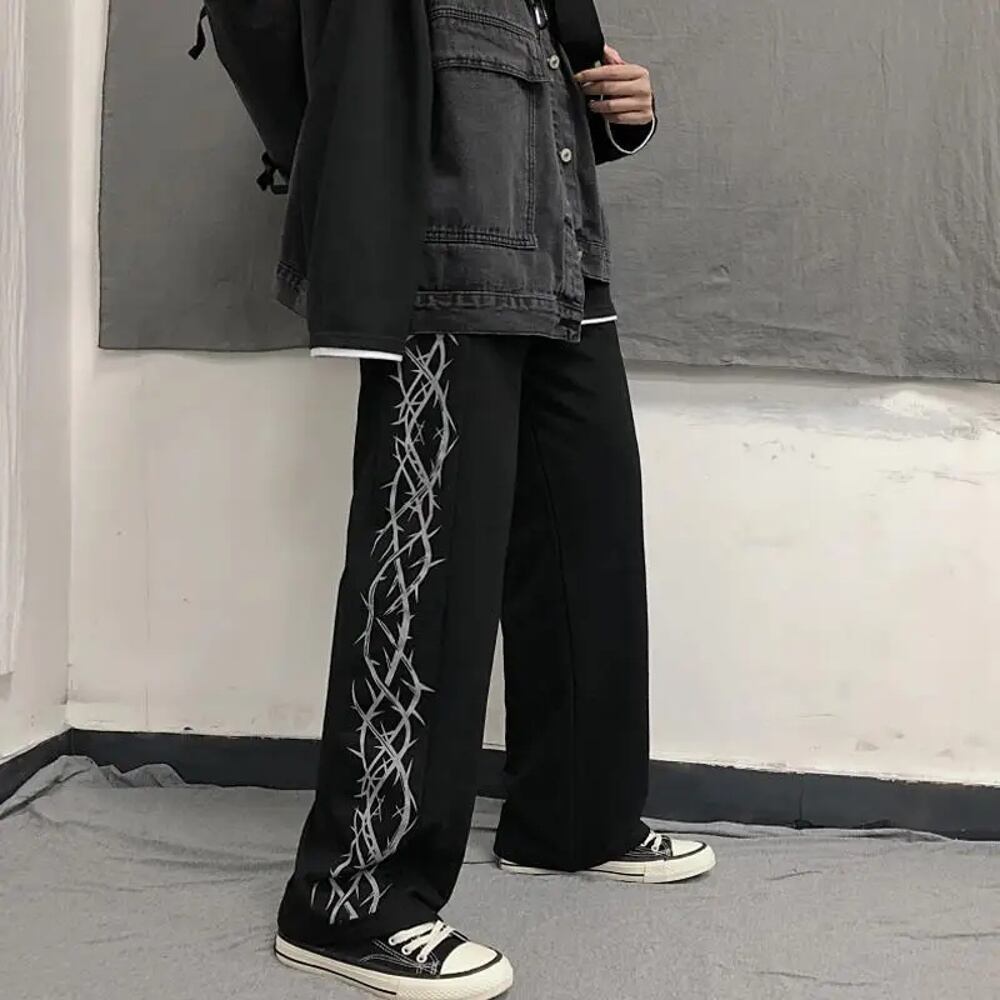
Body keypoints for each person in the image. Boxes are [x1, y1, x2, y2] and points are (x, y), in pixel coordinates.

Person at [198, 1, 716, 996]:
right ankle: (349, 897)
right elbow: (256, 19)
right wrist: (345, 153)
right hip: (443, 261)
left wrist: (618, 111)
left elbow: (531, 78)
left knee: (589, 542)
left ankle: (573, 818)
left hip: (562, 256)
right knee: (430, 569)